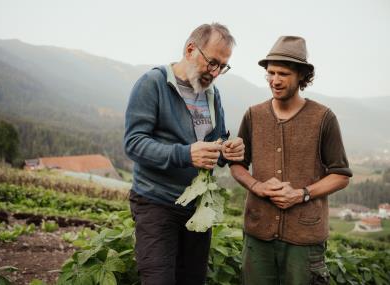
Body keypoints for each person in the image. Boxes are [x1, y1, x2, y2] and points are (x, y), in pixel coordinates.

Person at [124, 23, 245, 285]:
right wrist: (185, 154)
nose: (215, 73)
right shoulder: (152, 83)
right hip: (157, 204)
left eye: (222, 66)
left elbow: (216, 141)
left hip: (198, 207)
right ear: (190, 49)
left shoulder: (213, 94)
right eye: (212, 62)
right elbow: (134, 143)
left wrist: (228, 150)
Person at [230, 36, 353, 285]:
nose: (275, 80)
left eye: (283, 73)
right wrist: (257, 186)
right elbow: (237, 164)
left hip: (304, 240)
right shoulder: (253, 115)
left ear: (301, 76)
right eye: (271, 73)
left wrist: (302, 194)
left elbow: (340, 175)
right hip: (257, 235)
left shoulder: (323, 118)